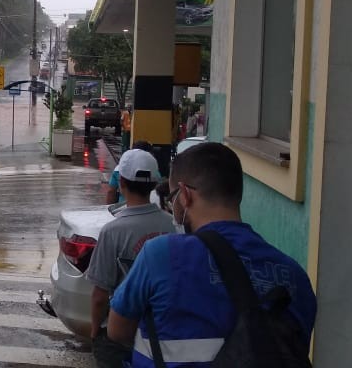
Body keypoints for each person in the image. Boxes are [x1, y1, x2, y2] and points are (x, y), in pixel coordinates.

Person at [106, 142, 317, 367]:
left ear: (185, 195)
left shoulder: (159, 255)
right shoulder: (296, 277)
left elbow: (117, 331)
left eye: (173, 197)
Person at [86, 149, 176, 368]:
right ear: (155, 184)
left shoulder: (112, 231)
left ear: (122, 183)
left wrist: (95, 330)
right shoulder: (173, 225)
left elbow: (100, 295)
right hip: (164, 328)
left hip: (119, 332)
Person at [105, 141, 159, 205]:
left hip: (121, 207)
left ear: (122, 181)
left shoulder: (118, 170)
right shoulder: (154, 171)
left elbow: (111, 192)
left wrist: (109, 209)